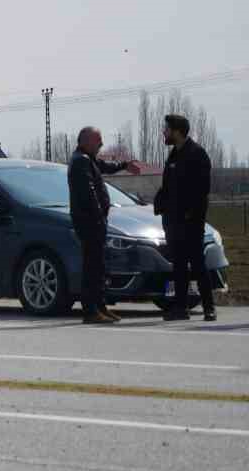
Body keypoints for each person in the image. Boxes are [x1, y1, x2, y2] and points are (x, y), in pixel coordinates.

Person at [67, 126, 139, 324]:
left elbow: (106, 166)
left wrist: (124, 165)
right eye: (97, 140)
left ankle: (100, 307)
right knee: (92, 266)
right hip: (90, 222)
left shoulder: (87, 159)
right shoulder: (80, 161)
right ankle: (90, 310)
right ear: (85, 141)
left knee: (99, 266)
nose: (101, 144)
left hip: (95, 221)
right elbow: (89, 194)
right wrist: (99, 216)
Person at [153, 113, 216, 321]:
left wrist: (192, 215)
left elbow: (202, 190)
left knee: (197, 264)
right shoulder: (173, 155)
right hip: (173, 221)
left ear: (178, 132)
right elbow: (168, 186)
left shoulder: (197, 154)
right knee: (179, 265)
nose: (164, 132)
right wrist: (160, 205)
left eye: (167, 129)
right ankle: (181, 308)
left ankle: (209, 307)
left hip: (191, 222)